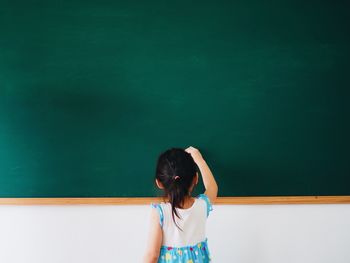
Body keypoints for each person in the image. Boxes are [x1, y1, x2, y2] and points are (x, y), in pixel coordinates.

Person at [144, 146, 218, 263]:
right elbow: (212, 188)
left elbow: (152, 255)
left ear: (159, 183)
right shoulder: (201, 206)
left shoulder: (160, 212)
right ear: (196, 179)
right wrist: (200, 160)